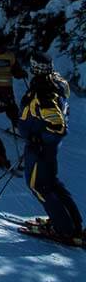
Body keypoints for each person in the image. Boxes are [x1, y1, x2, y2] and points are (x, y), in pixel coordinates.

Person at [18, 54, 82, 244]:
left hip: (41, 147)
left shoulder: (44, 92)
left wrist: (41, 138)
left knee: (38, 185)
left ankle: (63, 228)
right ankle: (71, 223)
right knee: (51, 182)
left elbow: (58, 124)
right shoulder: (55, 81)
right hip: (46, 146)